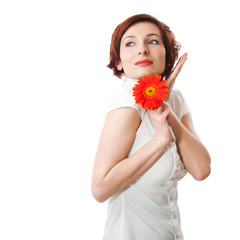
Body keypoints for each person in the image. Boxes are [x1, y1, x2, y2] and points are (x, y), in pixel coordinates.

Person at [91, 14, 211, 240]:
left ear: (167, 56)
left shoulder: (176, 99)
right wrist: (159, 140)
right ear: (118, 61)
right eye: (130, 43)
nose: (142, 49)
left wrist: (163, 103)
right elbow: (99, 188)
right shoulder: (127, 105)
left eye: (153, 41)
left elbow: (201, 169)